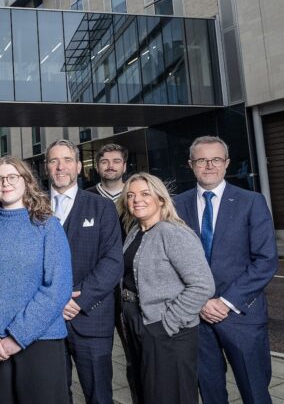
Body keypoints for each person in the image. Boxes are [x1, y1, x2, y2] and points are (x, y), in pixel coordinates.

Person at [174, 136, 278, 404]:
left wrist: (225, 302)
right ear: (190, 164)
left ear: (227, 163)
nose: (209, 165)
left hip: (241, 315)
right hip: (196, 317)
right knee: (210, 393)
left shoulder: (251, 201)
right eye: (201, 160)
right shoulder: (175, 205)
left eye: (216, 159)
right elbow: (170, 261)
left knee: (255, 392)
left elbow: (265, 260)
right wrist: (199, 301)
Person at [0, 156, 72, 404]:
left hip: (40, 341)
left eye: (12, 177)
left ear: (26, 181)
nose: (5, 183)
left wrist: (17, 336)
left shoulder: (48, 226)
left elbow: (58, 288)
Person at [117, 172, 214, 404]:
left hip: (167, 330)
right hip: (138, 322)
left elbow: (202, 285)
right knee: (148, 392)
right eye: (130, 195)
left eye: (145, 194)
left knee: (171, 395)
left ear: (160, 199)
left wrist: (166, 324)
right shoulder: (135, 231)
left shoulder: (173, 233)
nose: (136, 200)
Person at [45, 140, 123, 404]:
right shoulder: (33, 207)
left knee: (99, 396)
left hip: (91, 318)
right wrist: (54, 300)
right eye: (54, 161)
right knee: (53, 395)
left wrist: (79, 300)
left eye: (67, 160)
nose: (60, 167)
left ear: (79, 166)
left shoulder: (102, 207)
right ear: (46, 167)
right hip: (46, 320)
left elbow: (112, 261)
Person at [83, 142, 137, 403]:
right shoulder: (86, 197)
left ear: (125, 166)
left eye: (116, 161)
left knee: (136, 357)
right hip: (98, 288)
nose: (110, 166)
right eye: (105, 161)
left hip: (131, 288)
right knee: (98, 358)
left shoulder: (137, 195)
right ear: (97, 166)